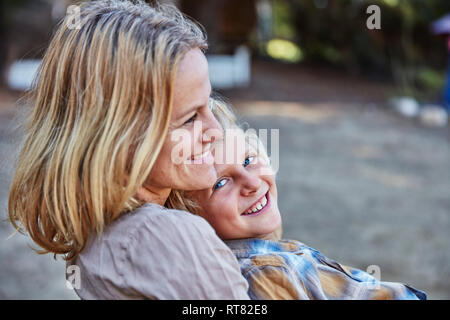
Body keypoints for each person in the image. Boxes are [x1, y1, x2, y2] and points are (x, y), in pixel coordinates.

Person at [8, 0, 250, 299]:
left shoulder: (98, 233)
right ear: (120, 136)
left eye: (209, 104)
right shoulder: (172, 240)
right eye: (190, 118)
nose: (215, 131)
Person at [168, 128, 427, 300]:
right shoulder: (263, 274)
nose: (253, 183)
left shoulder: (268, 257)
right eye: (221, 183)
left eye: (248, 161)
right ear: (190, 216)